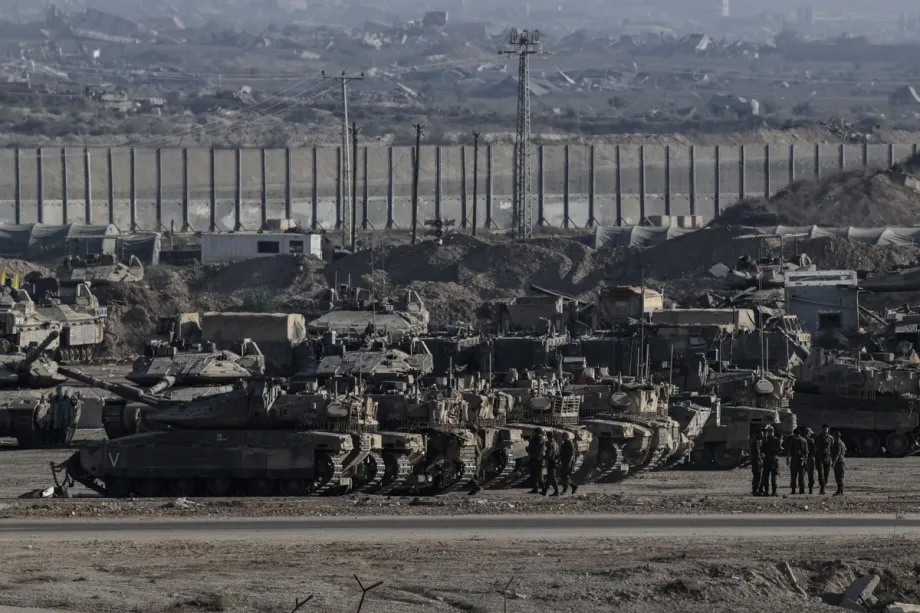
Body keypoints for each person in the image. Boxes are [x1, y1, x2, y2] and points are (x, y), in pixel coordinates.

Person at [760, 425, 783, 496]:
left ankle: (766, 491)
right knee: (774, 476)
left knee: (766, 476)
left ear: (768, 432)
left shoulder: (765, 440)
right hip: (774, 459)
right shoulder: (777, 439)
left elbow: (762, 450)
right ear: (773, 431)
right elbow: (780, 450)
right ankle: (774, 491)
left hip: (767, 459)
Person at [814, 424, 834, 495]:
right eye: (824, 429)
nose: (825, 431)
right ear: (822, 429)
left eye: (826, 429)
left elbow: (832, 448)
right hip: (819, 457)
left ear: (828, 430)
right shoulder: (817, 438)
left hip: (827, 457)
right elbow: (815, 447)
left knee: (826, 474)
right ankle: (822, 487)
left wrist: (832, 459)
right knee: (820, 472)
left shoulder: (830, 438)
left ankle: (824, 486)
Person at [787, 428, 807, 495]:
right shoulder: (804, 440)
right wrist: (805, 460)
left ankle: (793, 490)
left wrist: (787, 459)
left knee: (793, 476)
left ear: (794, 433)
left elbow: (789, 450)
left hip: (794, 460)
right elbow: (806, 452)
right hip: (802, 460)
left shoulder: (792, 440)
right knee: (801, 476)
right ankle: (802, 490)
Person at [541, 430, 560, 497]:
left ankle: (557, 491)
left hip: (551, 462)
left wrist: (543, 457)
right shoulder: (555, 443)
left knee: (552, 477)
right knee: (549, 477)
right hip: (555, 461)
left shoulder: (550, 444)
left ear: (548, 436)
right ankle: (544, 491)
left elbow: (549, 454)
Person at [526, 429, 545, 494]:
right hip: (533, 458)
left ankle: (543, 488)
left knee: (539, 475)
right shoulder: (534, 439)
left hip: (539, 459)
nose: (533, 434)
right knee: (533, 474)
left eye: (534, 433)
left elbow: (536, 447)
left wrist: (530, 448)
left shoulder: (540, 439)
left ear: (538, 433)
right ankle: (535, 488)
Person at [831, 430, 847, 496]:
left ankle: (839, 491)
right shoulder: (842, 442)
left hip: (839, 462)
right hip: (842, 461)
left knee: (838, 477)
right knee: (840, 477)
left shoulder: (837, 443)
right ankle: (840, 491)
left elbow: (837, 454)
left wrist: (833, 463)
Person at [749, 428, 764, 496]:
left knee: (756, 476)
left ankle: (755, 489)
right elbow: (758, 452)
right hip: (756, 461)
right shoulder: (756, 442)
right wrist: (760, 460)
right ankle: (755, 490)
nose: (762, 435)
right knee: (757, 476)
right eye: (761, 434)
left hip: (754, 461)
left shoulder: (754, 441)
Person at [804, 428, 817, 494]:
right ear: (808, 433)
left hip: (802, 458)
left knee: (802, 474)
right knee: (811, 474)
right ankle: (810, 489)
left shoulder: (802, 439)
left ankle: (801, 489)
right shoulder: (811, 440)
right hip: (810, 458)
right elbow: (814, 449)